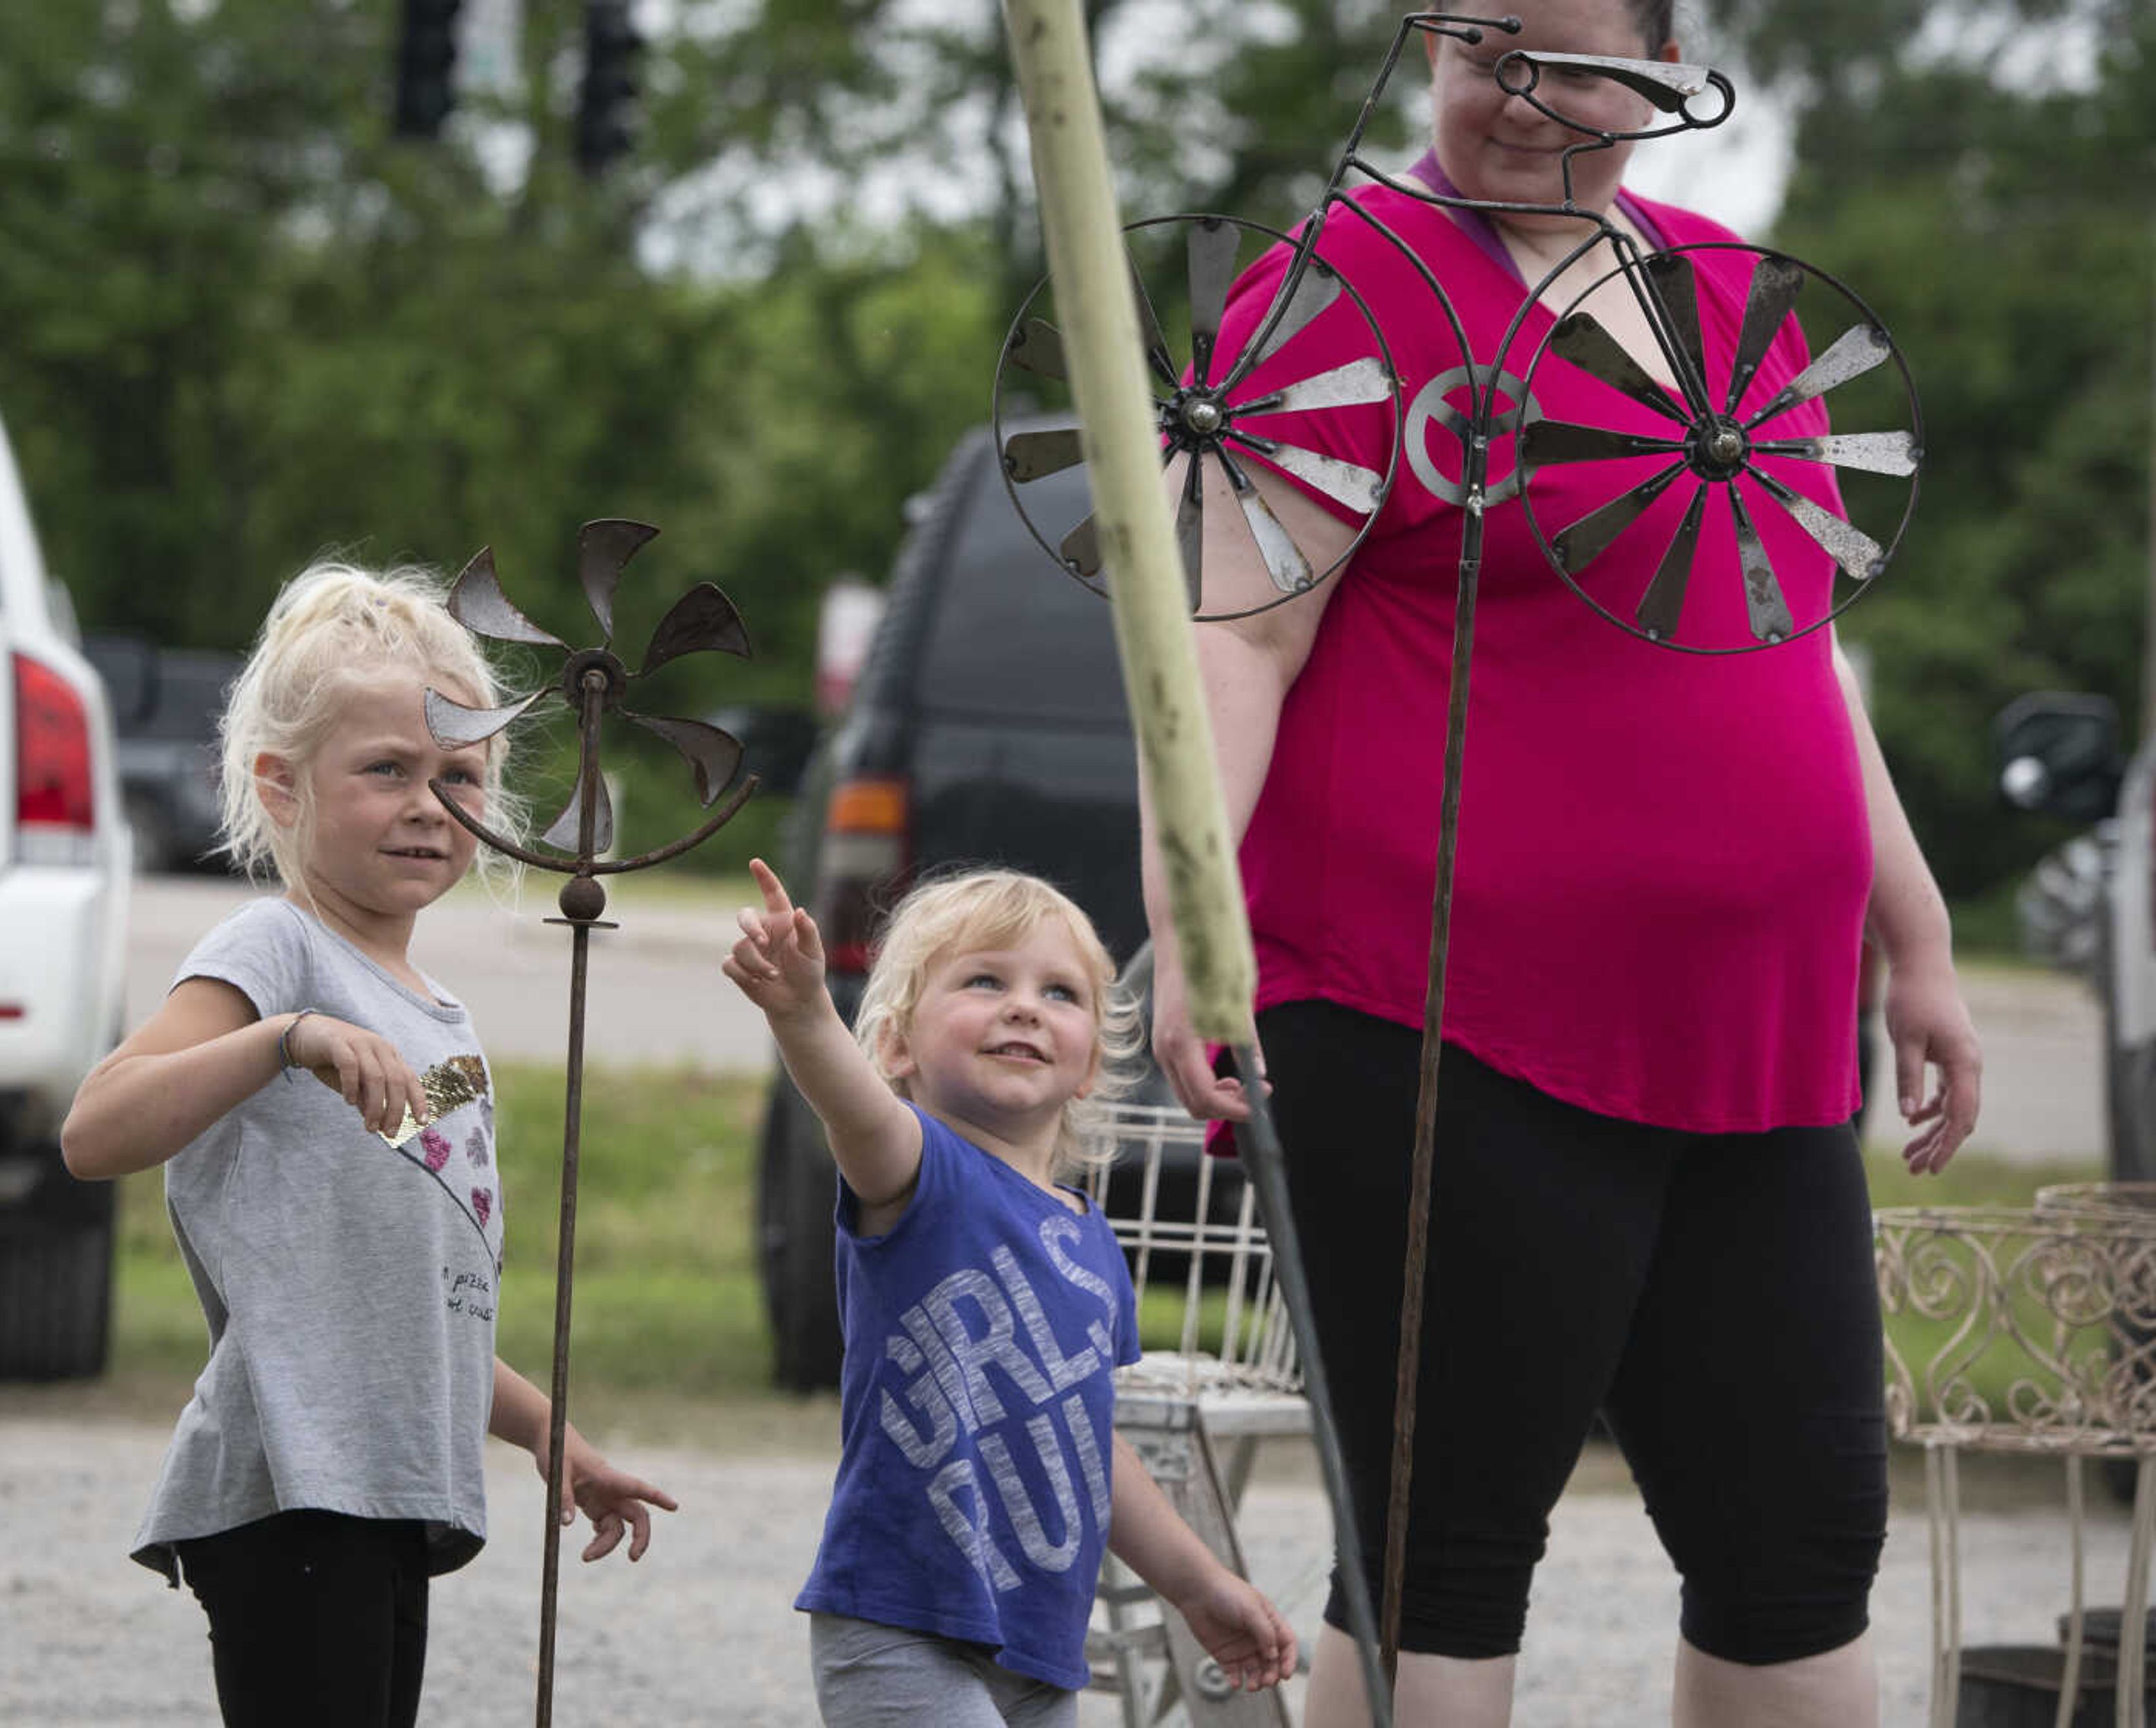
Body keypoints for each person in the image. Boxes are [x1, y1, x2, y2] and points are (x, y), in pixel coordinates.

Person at [1137, 4, 1986, 1725]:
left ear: (1674, 63)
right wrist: (1189, 919)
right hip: (1442, 1013)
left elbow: (1792, 634)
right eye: (1481, 47)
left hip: (1754, 1040)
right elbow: (1236, 642)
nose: (1520, 101)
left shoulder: (1727, 286)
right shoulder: (1338, 293)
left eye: (1574, 60)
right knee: (1444, 1553)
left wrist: (1918, 936)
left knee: (1799, 1549)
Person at [59, 561, 675, 1727]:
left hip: (391, 1482)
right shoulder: (278, 950)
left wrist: (555, 1437)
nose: (427, 805)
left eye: (460, 776)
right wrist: (285, 1041)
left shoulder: (440, 1020)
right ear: (281, 788)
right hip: (294, 1485)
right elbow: (96, 1129)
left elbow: (410, 1296)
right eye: (386, 770)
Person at [726, 860, 1300, 1725]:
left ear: (1091, 1064)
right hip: (902, 1623)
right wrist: (806, 1015)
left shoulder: (1091, 1239)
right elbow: (850, 1107)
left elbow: (1093, 1440)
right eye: (985, 980)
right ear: (897, 1046)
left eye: (1060, 993)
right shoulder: (918, 1170)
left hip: (1039, 1647)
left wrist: (1199, 1584)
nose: (1024, 1005)